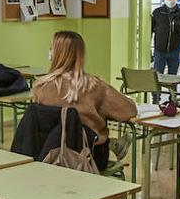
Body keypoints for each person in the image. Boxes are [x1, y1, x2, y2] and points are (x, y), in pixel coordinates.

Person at [31, 31, 137, 172]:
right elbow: (128, 111)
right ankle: (112, 143)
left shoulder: (40, 87)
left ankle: (112, 143)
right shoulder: (94, 86)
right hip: (87, 157)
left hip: (49, 155)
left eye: (51, 48)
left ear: (56, 54)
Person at [151, 0, 180, 89]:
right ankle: (156, 100)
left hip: (174, 50)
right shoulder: (157, 12)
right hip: (159, 50)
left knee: (173, 78)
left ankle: (173, 100)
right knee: (157, 78)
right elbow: (150, 30)